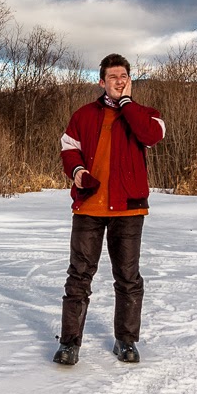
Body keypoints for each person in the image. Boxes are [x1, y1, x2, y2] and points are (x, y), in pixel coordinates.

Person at [53, 53, 165, 366]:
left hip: (128, 209)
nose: (119, 81)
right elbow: (68, 149)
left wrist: (128, 105)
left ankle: (126, 341)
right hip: (89, 205)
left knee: (128, 277)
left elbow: (151, 136)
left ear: (130, 81)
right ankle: (69, 344)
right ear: (101, 82)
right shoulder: (84, 114)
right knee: (79, 277)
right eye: (113, 77)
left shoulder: (146, 114)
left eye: (124, 76)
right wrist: (77, 173)